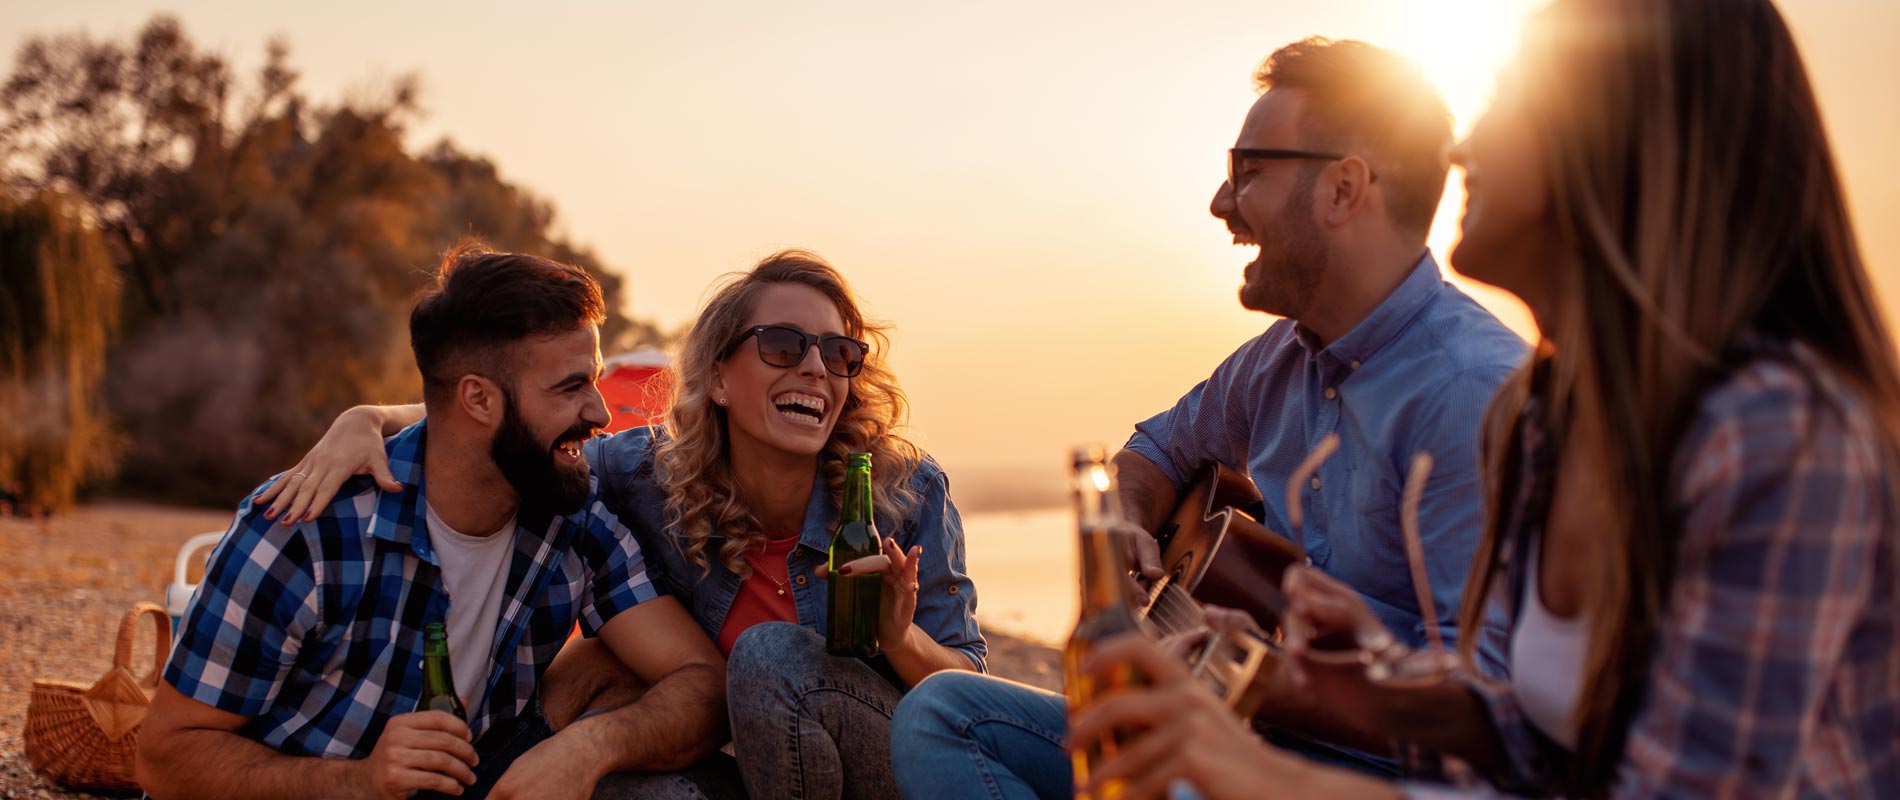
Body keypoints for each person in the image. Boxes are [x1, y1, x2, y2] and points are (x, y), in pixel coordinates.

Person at [1066, 1, 1900, 797]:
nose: (1460, 150)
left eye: (1505, 100)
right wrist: (1348, 682)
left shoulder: (1775, 434)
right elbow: (1550, 744)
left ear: (1610, 146)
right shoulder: (1546, 414)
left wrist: (1273, 780)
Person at [889, 36, 1526, 797]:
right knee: (943, 713)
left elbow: (1488, 708)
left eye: (1248, 172)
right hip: (1232, 725)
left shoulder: (1473, 396)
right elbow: (1157, 448)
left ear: (1343, 189)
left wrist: (1260, 682)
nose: (1222, 203)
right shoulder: (1275, 359)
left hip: (1368, 777)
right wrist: (1127, 524)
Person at [264, 250, 985, 799]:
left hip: (891, 763)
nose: (817, 368)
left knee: (768, 657)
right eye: (783, 346)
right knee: (625, 781)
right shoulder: (644, 476)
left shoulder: (902, 493)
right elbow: (513, 427)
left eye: (839, 353)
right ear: (719, 378)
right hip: (756, 768)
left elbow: (967, 696)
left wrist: (900, 637)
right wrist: (368, 418)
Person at [135, 242, 729, 800]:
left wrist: (588, 748)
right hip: (324, 785)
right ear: (479, 399)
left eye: (594, 381)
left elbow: (701, 680)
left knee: (617, 667)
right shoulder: (305, 531)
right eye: (571, 387)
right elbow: (164, 758)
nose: (600, 412)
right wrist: (361, 782)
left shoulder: (570, 513)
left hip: (473, 770)